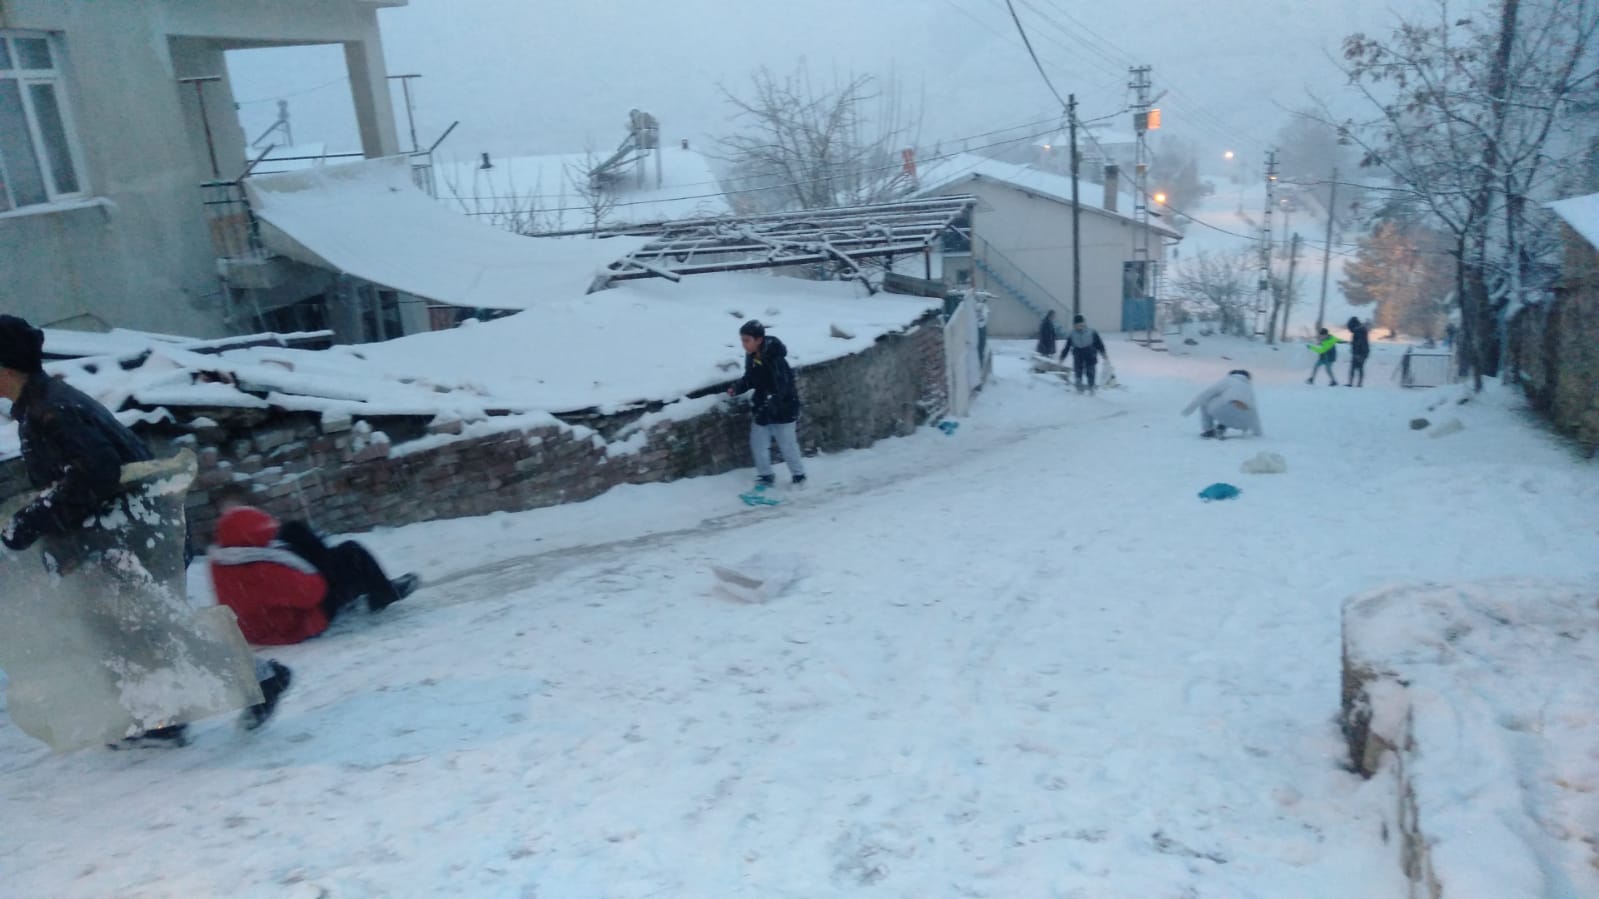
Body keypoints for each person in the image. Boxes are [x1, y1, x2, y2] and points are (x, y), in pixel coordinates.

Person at [0, 315, 291, 746]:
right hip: (114, 536)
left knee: (153, 626)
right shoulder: (42, 406)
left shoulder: (51, 410)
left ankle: (258, 679)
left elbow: (96, 472)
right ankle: (162, 718)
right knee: (128, 631)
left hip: (121, 537)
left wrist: (33, 519)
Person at [208, 485, 420, 645]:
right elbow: (313, 592)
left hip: (256, 629)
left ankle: (361, 581)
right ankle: (383, 593)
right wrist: (306, 561)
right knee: (350, 553)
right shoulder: (263, 569)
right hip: (298, 626)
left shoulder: (220, 562)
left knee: (294, 533)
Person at [726, 320, 805, 489]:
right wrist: (737, 387)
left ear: (759, 340)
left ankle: (799, 476)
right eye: (742, 340)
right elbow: (751, 378)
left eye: (747, 340)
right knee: (758, 443)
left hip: (784, 408)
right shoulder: (753, 355)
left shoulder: (775, 359)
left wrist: (769, 405)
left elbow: (782, 388)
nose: (743, 344)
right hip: (763, 407)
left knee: (787, 445)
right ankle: (766, 476)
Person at [1182, 369, 1264, 439]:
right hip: (1243, 422)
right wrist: (1258, 432)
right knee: (1227, 403)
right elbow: (1254, 411)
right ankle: (1221, 426)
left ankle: (1209, 430)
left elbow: (1205, 394)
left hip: (1225, 412)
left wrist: (1188, 411)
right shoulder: (1248, 387)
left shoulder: (1228, 380)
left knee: (1207, 401)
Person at [1057, 314, 1110, 394]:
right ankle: (1079, 388)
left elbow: (1099, 344)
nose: (1080, 327)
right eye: (1077, 325)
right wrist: (1062, 358)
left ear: (1084, 323)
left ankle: (1091, 387)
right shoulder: (1072, 334)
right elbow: (1067, 348)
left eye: (1081, 324)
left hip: (1090, 354)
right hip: (1078, 355)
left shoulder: (1092, 332)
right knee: (1078, 371)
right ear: (1074, 325)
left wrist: (1103, 354)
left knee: (1090, 371)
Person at [1346, 317, 1370, 387]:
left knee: (1357, 367)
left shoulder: (1358, 331)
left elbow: (1359, 343)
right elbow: (1357, 343)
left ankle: (1353, 383)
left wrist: (1357, 354)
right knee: (1358, 367)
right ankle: (1358, 383)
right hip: (1362, 352)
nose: (1350, 330)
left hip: (1360, 352)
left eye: (1350, 328)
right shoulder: (1361, 330)